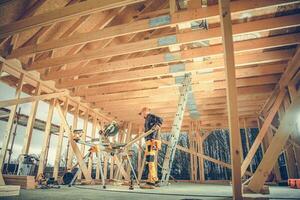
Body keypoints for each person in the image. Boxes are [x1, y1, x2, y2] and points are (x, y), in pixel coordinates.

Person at [139, 107, 163, 188]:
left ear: (145, 111)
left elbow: (160, 119)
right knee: (149, 161)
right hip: (150, 142)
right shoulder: (147, 119)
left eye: (142, 113)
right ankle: (154, 180)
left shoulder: (151, 116)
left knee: (150, 161)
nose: (142, 115)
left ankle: (152, 182)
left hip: (151, 142)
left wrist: (157, 125)